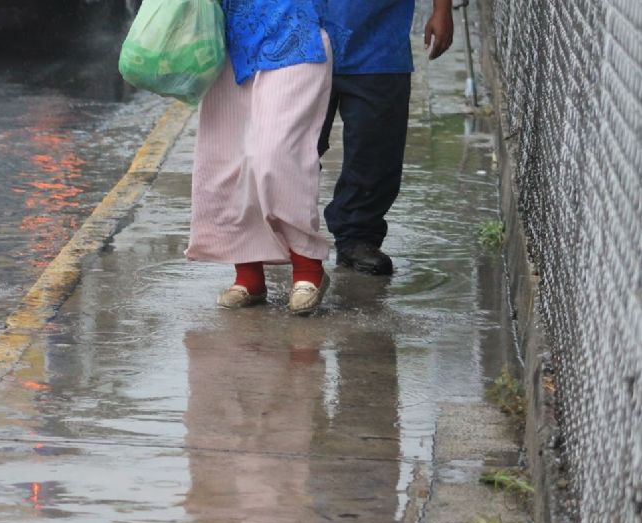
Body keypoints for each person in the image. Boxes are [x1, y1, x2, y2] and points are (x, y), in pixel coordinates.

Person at [185, 0, 335, 315]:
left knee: (277, 154)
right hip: (226, 41)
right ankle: (248, 275)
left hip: (297, 34)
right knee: (229, 158)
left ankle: (308, 267)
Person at [319, 0, 454, 275]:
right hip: (298, 35)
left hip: (379, 37)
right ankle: (284, 231)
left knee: (377, 147)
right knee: (289, 146)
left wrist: (442, 10)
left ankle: (358, 237)